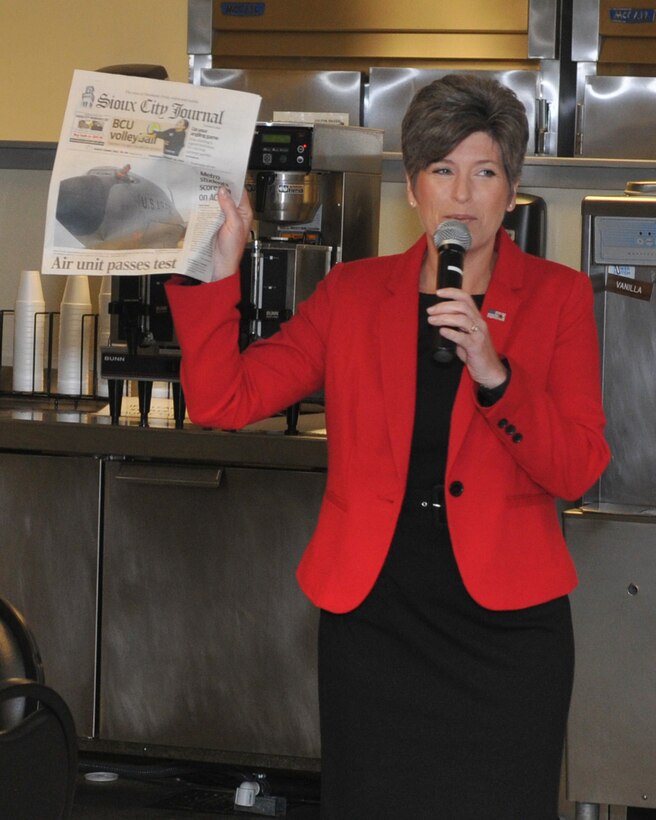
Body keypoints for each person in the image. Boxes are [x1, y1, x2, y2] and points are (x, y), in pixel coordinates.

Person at [165, 73, 610, 819]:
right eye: (442, 170)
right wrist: (217, 274)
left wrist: (496, 376)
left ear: (511, 189)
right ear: (412, 188)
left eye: (485, 172)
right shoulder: (353, 294)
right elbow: (223, 399)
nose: (462, 195)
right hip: (376, 620)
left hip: (505, 635)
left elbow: (579, 468)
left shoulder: (558, 297)